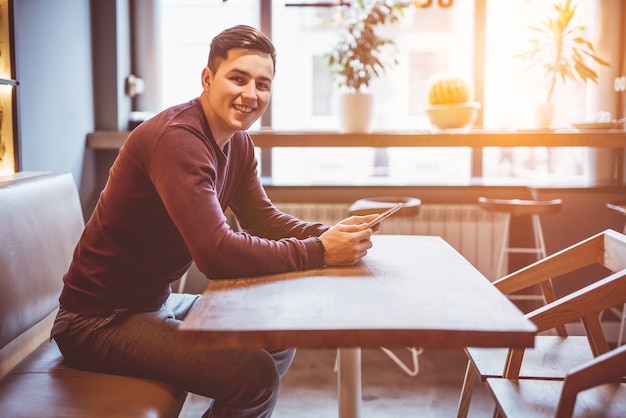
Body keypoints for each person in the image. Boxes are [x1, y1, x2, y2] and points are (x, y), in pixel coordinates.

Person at [51, 24, 379, 418]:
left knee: (278, 334)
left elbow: (264, 219)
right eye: (238, 79)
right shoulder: (178, 140)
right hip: (97, 321)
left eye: (263, 84)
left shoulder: (237, 142)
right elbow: (216, 253)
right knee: (253, 376)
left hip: (156, 302)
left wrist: (330, 234)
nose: (250, 95)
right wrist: (321, 252)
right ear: (207, 79)